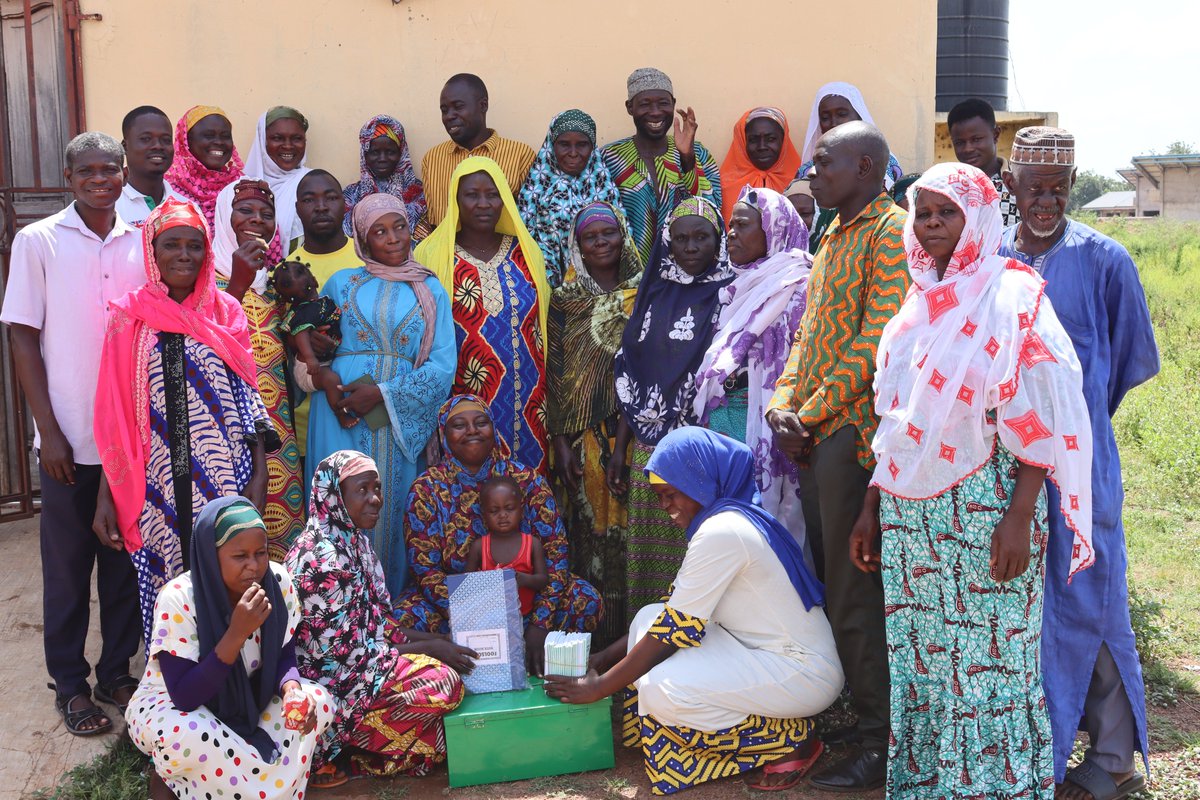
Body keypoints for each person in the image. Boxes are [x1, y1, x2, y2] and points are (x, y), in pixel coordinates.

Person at [851, 162, 1095, 799]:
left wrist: (1019, 518)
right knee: (927, 663)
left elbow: (1042, 416)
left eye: (946, 212)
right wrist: (871, 507)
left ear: (979, 217)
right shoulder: (916, 304)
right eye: (924, 212)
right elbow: (897, 419)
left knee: (990, 666)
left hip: (986, 511)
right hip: (914, 520)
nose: (932, 225)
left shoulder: (1012, 296)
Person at [544, 427, 843, 795]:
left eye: (671, 494)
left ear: (701, 481)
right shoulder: (728, 520)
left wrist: (601, 686)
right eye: (659, 498)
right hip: (764, 653)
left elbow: (673, 632)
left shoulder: (723, 531)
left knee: (662, 690)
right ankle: (738, 727)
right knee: (647, 618)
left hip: (801, 673)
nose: (666, 506)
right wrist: (601, 659)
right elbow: (671, 616)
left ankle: (790, 739)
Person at [1000, 127, 1159, 800]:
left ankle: (1114, 757)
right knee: (1031, 607)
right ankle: (1046, 745)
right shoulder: (994, 255)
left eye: (1059, 188)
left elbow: (1122, 364)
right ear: (1011, 183)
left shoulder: (1104, 259)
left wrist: (1076, 424)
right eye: (1034, 188)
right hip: (1009, 469)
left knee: (1093, 598)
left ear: (1072, 184)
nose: (1047, 201)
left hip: (1083, 466)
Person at [765, 121, 910, 792]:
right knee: (834, 585)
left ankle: (882, 741)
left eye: (824, 163)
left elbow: (874, 344)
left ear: (867, 168)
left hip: (852, 439)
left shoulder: (890, 233)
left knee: (855, 593)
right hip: (817, 435)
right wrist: (780, 406)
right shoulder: (830, 235)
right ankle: (861, 716)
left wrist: (810, 412)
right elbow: (808, 339)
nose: (812, 174)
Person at [1, 132, 144, 735]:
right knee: (66, 568)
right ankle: (70, 683)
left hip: (129, 441)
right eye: (86, 171)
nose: (99, 180)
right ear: (68, 176)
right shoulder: (39, 242)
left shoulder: (143, 238)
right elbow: (21, 335)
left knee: (122, 565)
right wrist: (48, 432)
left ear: (123, 174)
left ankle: (116, 671)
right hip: (68, 443)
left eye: (108, 170)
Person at [92, 198, 276, 645]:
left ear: (207, 252)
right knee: (168, 592)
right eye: (170, 245)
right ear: (152, 253)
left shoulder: (226, 312)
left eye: (194, 245)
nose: (183, 255)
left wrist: (259, 473)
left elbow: (246, 395)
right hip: (153, 483)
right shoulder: (128, 317)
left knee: (228, 578)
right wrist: (105, 495)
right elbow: (113, 412)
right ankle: (178, 683)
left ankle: (232, 683)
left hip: (221, 477)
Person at [126, 496, 334, 800]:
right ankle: (177, 783)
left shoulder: (277, 583)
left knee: (319, 701)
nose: (254, 566)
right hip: (177, 705)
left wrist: (291, 689)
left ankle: (256, 787)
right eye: (240, 556)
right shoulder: (179, 599)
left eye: (260, 553)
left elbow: (284, 654)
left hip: (249, 696)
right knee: (186, 736)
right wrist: (236, 633)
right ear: (212, 556)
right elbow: (184, 695)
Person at [286, 451, 471, 785]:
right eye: (363, 490)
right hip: (334, 687)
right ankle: (335, 746)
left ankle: (366, 750)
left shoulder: (354, 542)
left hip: (361, 669)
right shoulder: (321, 558)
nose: (375, 499)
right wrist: (432, 650)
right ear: (335, 496)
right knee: (446, 684)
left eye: (378, 488)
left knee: (445, 737)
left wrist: (441, 641)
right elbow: (344, 657)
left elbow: (380, 625)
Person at [305, 193, 456, 597]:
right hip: (338, 413)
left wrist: (383, 394)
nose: (393, 238)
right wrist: (326, 379)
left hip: (396, 418)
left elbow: (442, 367)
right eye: (379, 231)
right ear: (362, 238)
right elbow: (309, 346)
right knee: (338, 502)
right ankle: (335, 609)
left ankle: (390, 613)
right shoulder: (340, 283)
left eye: (400, 226)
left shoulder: (431, 290)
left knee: (388, 506)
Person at [395, 395, 603, 674]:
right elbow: (427, 572)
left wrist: (540, 623)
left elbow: (556, 554)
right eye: (459, 425)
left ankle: (546, 667)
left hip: (529, 601)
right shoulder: (426, 490)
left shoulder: (527, 480)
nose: (471, 430)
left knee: (585, 599)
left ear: (494, 430)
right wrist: (483, 621)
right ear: (444, 435)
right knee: (400, 622)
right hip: (460, 610)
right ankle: (458, 670)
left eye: (481, 422)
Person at [613, 196, 733, 616]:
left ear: (718, 239)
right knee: (650, 548)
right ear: (668, 242)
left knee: (702, 545)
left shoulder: (733, 292)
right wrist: (619, 449)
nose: (691, 247)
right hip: (652, 448)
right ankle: (646, 642)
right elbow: (633, 370)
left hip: (707, 443)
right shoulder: (655, 291)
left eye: (702, 237)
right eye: (681, 238)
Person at [414, 156, 552, 475]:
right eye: (471, 195)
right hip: (464, 409)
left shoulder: (527, 252)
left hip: (530, 404)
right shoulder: (431, 255)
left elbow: (546, 333)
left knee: (526, 493)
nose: (483, 203)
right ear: (455, 200)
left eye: (492, 194)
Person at [693, 187, 812, 550]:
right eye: (730, 225)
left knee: (769, 530)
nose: (731, 234)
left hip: (770, 424)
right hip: (726, 420)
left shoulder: (800, 284)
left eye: (742, 225)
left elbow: (801, 359)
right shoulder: (739, 286)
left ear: (774, 230)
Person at [546, 202, 642, 641]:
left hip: (635, 429)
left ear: (623, 235)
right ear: (577, 246)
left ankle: (634, 632)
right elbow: (558, 369)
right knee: (586, 525)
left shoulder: (644, 291)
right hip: (582, 434)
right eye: (591, 237)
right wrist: (561, 440)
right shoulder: (566, 299)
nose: (601, 242)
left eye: (609, 233)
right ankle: (593, 634)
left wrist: (623, 443)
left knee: (630, 520)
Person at [211, 178, 305, 558]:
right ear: (222, 217)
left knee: (282, 542)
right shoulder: (202, 283)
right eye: (245, 211)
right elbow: (204, 347)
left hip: (277, 438)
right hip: (224, 434)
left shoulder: (275, 286)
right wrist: (237, 282)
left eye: (267, 215)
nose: (257, 221)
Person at [600, 67, 721, 265]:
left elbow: (712, 212)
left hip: (688, 273)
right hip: (632, 277)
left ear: (673, 104)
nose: (655, 112)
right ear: (630, 107)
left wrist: (687, 159)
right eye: (645, 104)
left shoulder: (697, 152)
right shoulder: (610, 157)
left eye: (663, 103)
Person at [291, 169, 366, 459]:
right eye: (309, 200)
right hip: (305, 419)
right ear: (297, 208)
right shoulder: (285, 271)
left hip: (363, 408)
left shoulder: (366, 260)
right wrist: (301, 342)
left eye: (331, 197)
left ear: (344, 203)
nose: (321, 206)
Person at [419, 73, 536, 233]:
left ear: (483, 106)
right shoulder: (432, 159)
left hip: (505, 256)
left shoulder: (521, 155)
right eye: (444, 110)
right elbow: (433, 224)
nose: (449, 116)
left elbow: (530, 223)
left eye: (458, 107)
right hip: (445, 256)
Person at [517, 109, 621, 287]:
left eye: (582, 144)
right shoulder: (534, 191)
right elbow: (521, 244)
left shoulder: (604, 188)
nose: (573, 153)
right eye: (564, 144)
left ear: (593, 146)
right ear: (551, 145)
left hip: (603, 292)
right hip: (546, 292)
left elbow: (624, 245)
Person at [796, 82, 904, 253]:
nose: (833, 122)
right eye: (825, 117)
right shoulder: (807, 170)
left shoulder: (885, 162)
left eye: (842, 114)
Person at [465, 475, 550, 617]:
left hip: (525, 616)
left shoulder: (532, 544)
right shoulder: (479, 547)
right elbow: (466, 585)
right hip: (490, 620)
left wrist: (523, 579)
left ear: (521, 510)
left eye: (509, 509)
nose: (503, 515)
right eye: (494, 511)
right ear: (484, 515)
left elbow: (543, 579)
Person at [272, 259, 345, 421]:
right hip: (309, 367)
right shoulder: (304, 311)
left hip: (320, 363)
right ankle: (342, 415)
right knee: (332, 380)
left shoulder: (320, 303)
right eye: (298, 296)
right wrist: (311, 358)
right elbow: (301, 332)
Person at [343, 114, 426, 237]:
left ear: (401, 153)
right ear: (364, 155)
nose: (382, 159)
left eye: (390, 152)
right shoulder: (351, 196)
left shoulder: (420, 193)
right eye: (375, 152)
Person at [242, 106, 312, 251]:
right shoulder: (241, 188)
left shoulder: (313, 182)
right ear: (263, 141)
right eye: (277, 138)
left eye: (296, 139)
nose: (288, 146)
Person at [164, 105, 244, 230]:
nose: (219, 142)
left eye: (225, 136)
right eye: (209, 136)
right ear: (186, 142)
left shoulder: (243, 187)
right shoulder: (168, 190)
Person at [718, 107, 802, 221]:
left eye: (771, 139)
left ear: (783, 141)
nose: (762, 147)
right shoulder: (723, 188)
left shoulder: (801, 182)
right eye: (753, 140)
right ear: (743, 142)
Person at [948, 97, 1020, 227]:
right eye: (959, 143)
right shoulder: (949, 188)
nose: (968, 148)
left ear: (996, 135)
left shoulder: (1018, 185)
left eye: (976, 139)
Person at [117, 106, 181, 225]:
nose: (158, 146)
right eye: (146, 139)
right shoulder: (110, 207)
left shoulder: (186, 207)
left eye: (166, 140)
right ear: (125, 146)